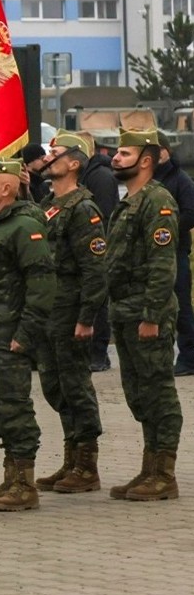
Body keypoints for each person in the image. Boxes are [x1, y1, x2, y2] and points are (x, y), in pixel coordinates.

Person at [0, 156, 56, 511]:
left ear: (7, 188)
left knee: (15, 408)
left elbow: (41, 282)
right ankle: (9, 474)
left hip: (9, 336)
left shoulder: (23, 227)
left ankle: (24, 483)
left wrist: (26, 332)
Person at [106, 128, 183, 501]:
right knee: (138, 393)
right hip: (125, 312)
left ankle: (164, 475)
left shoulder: (157, 201)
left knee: (158, 393)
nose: (115, 159)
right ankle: (148, 469)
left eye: (123, 153)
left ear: (146, 161)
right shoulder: (128, 202)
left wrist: (152, 315)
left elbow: (162, 264)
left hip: (147, 314)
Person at [33, 134, 107, 492]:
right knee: (55, 385)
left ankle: (87, 465)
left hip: (70, 309)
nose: (49, 159)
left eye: (56, 154)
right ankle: (70, 458)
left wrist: (86, 317)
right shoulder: (48, 203)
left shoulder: (83, 209)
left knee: (76, 385)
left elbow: (95, 268)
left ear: (74, 163)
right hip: (48, 309)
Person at [153, 134, 194, 376]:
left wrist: (164, 230)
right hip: (150, 255)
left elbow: (190, 213)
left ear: (167, 151)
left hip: (174, 251)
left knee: (181, 306)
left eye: (159, 150)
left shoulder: (180, 179)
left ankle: (188, 356)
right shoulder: (146, 179)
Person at [79, 134, 120, 372]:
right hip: (86, 250)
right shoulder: (87, 176)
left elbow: (103, 216)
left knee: (99, 303)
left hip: (98, 249)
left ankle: (99, 353)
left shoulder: (101, 178)